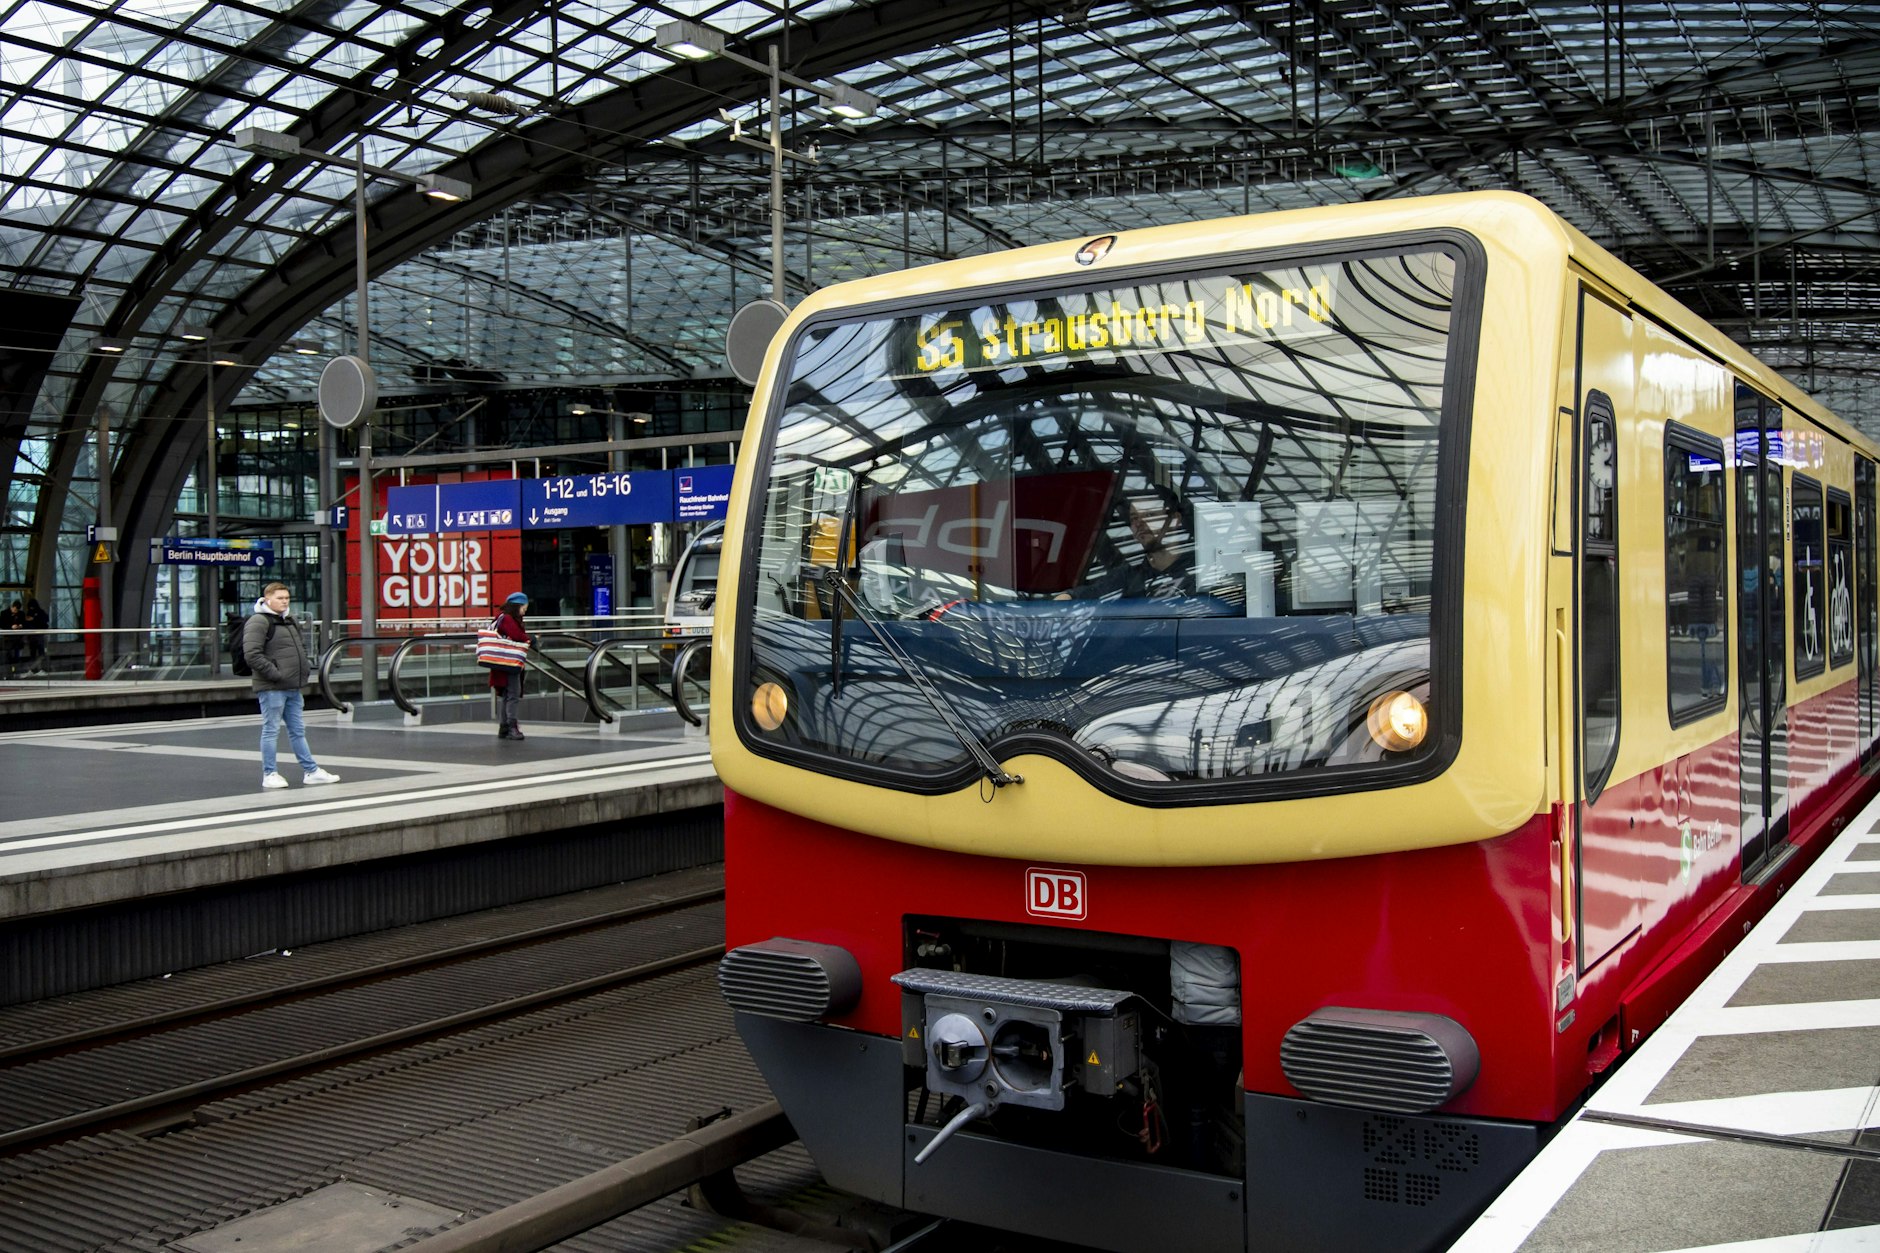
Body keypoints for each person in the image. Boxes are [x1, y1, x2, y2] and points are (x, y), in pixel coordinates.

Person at [243, 581, 340, 790]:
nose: (284, 602)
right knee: (271, 730)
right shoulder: (258, 621)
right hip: (272, 687)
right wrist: (275, 674)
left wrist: (302, 671)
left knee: (298, 730)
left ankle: (311, 771)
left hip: (292, 686)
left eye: (287, 598)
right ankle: (269, 773)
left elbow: (299, 648)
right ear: (267, 598)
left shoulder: (289, 620)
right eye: (280, 598)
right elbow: (252, 654)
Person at [488, 591, 532, 740]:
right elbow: (518, 636)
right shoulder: (508, 619)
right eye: (524, 607)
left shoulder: (501, 617)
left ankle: (504, 727)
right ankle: (512, 727)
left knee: (507, 694)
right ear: (517, 606)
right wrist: (530, 640)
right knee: (513, 693)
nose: (525, 610)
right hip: (509, 663)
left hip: (501, 663)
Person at [21, 598, 48, 673]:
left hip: (38, 636)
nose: (31, 608)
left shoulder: (39, 613)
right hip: (33, 636)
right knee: (34, 654)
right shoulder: (30, 613)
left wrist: (33, 619)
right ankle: (35, 669)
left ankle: (37, 668)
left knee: (40, 653)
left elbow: (44, 620)